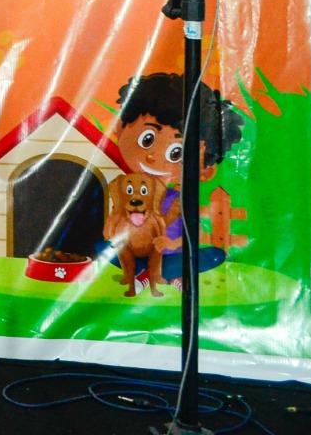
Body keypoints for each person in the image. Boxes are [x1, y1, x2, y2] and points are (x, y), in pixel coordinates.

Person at [104, 71, 245, 284]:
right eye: (147, 139)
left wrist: (172, 244)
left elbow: (194, 233)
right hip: (135, 252)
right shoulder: (128, 191)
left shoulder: (177, 200)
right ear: (120, 127)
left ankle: (156, 273)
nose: (153, 156)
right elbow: (116, 218)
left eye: (176, 153)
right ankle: (144, 270)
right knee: (103, 248)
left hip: (169, 256)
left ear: (205, 170)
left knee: (213, 255)